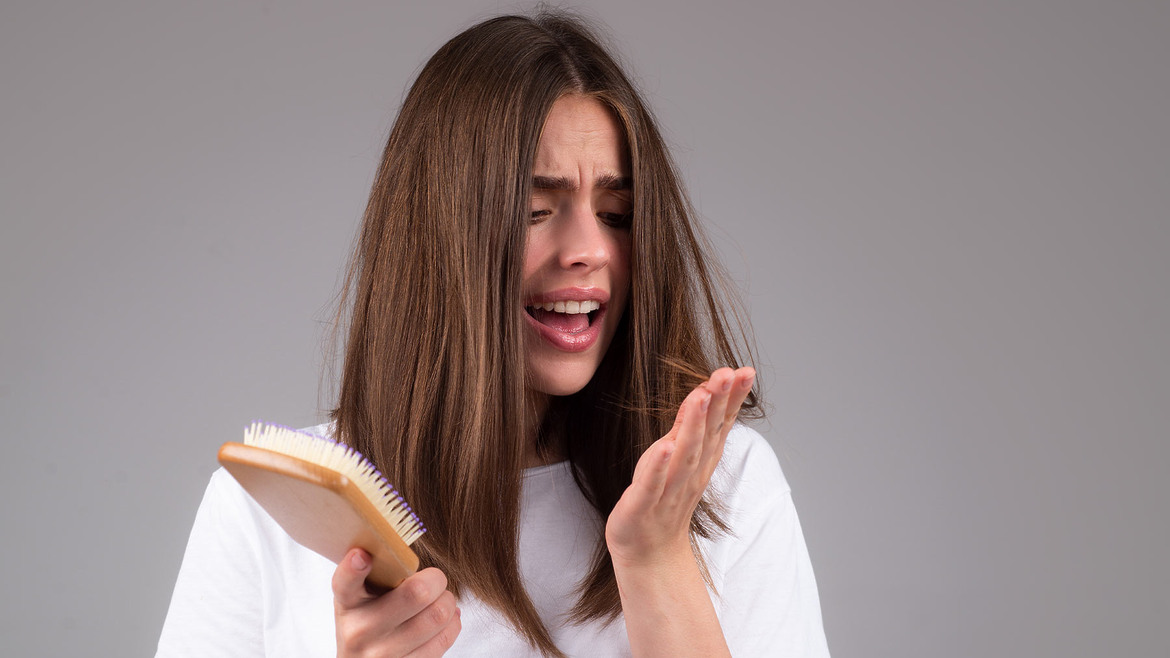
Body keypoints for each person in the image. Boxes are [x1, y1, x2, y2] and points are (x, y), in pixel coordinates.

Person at [158, 10, 829, 658]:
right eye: (537, 210)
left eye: (618, 214)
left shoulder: (723, 487)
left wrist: (657, 561)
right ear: (438, 237)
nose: (588, 250)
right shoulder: (267, 516)